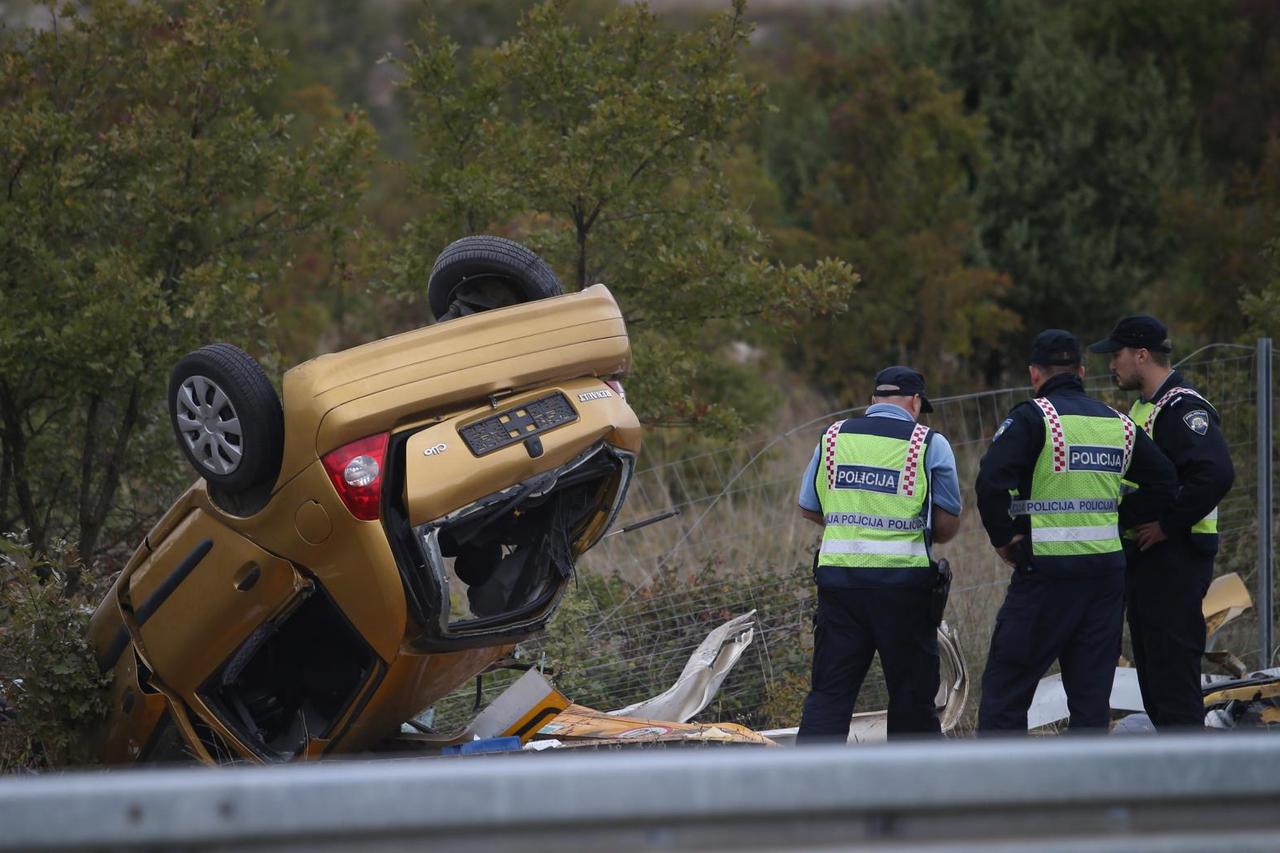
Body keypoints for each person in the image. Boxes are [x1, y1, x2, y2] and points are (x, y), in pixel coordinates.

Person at [975, 330, 1177, 732]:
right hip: (1104, 578)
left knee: (1006, 692)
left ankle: (998, 791)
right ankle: (1088, 791)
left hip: (1046, 576)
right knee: (1090, 699)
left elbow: (990, 483)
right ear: (1082, 372)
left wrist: (1007, 538)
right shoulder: (1118, 425)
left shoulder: (1034, 418)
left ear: (1035, 374)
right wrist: (1117, 518)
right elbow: (1166, 482)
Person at [795, 366, 962, 742]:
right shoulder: (930, 444)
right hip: (903, 589)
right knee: (913, 699)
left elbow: (808, 506)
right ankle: (911, 794)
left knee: (829, 696)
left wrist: (850, 523)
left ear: (874, 399)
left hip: (839, 585)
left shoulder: (832, 437)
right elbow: (947, 527)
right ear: (915, 401)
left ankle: (806, 794)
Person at [1088, 315, 1235, 730]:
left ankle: (1194, 786)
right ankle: (1176, 782)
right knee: (1155, 681)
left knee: (1173, 684)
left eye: (1116, 355)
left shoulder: (1182, 408)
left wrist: (1168, 524)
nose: (1111, 365)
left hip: (1177, 561)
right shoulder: (1144, 409)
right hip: (1150, 563)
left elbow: (1216, 474)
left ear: (1141, 355)